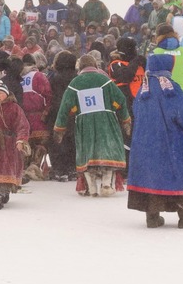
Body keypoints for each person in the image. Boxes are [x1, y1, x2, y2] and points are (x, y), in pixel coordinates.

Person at [126, 53, 183, 228]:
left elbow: (136, 112)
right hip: (171, 142)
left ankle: (152, 217)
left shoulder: (143, 89)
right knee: (177, 175)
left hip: (145, 143)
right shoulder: (170, 87)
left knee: (150, 177)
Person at [53, 52, 131, 197]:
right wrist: (123, 117)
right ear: (95, 65)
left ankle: (92, 187)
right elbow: (120, 99)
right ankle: (107, 183)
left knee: (87, 153)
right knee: (106, 150)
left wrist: (60, 128)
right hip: (106, 121)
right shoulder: (104, 79)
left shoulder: (75, 83)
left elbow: (64, 107)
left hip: (85, 123)